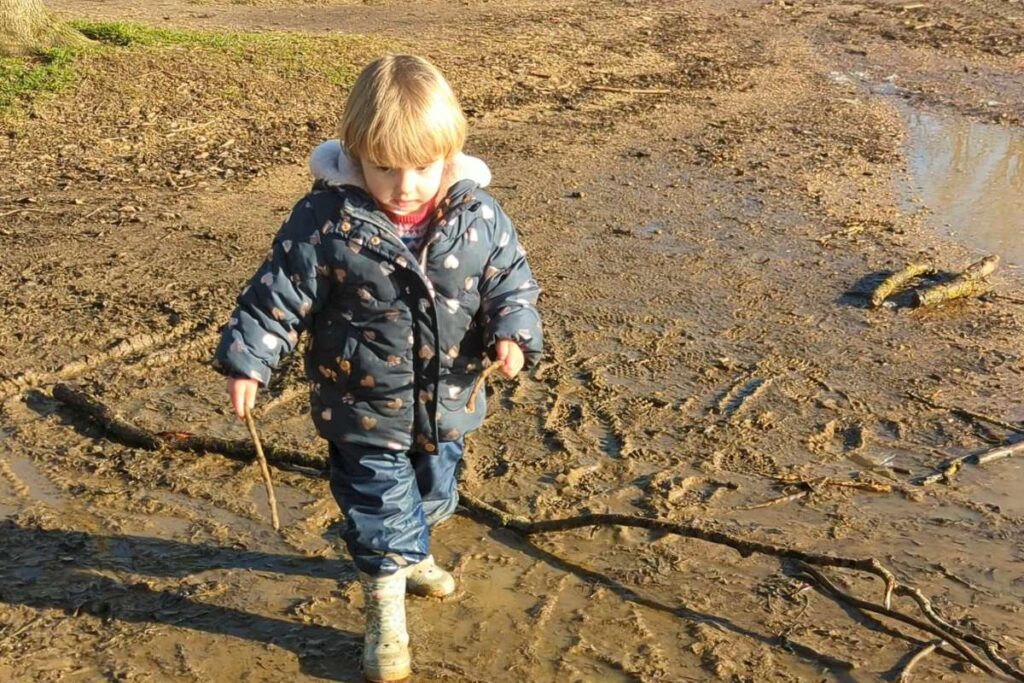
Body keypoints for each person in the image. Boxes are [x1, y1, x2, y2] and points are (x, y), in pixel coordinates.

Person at [211, 54, 543, 682]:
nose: (406, 185)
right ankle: (385, 607)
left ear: (451, 154)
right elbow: (277, 293)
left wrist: (511, 333)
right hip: (360, 404)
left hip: (448, 402)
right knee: (379, 508)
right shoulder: (327, 221)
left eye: (424, 167)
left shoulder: (479, 217)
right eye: (385, 167)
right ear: (355, 153)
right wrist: (249, 360)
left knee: (435, 492)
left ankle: (412, 553)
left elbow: (512, 283)